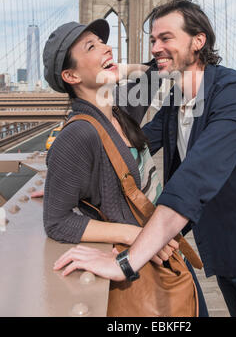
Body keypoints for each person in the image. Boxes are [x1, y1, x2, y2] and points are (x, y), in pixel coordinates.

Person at [54, 0, 236, 318]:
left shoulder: (234, 93)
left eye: (166, 38)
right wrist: (68, 173)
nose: (156, 47)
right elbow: (137, 140)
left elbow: (194, 180)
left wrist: (125, 263)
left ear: (198, 41)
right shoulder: (180, 97)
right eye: (153, 40)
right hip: (223, 249)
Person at [42, 17, 208, 317]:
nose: (106, 48)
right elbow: (56, 221)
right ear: (71, 75)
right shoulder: (79, 134)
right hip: (139, 268)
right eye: (91, 46)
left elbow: (157, 68)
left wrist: (119, 70)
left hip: (162, 249)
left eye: (103, 42)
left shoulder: (119, 106)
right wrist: (136, 236)